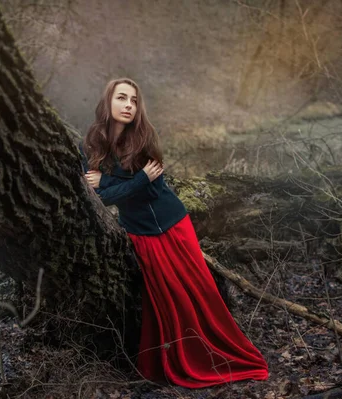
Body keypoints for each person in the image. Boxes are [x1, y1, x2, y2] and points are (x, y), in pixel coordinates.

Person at [79, 78, 269, 388]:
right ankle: (172, 360)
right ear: (107, 102)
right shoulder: (88, 144)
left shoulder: (144, 137)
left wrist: (124, 182)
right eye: (122, 98)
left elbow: (147, 190)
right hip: (140, 234)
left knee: (201, 293)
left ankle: (223, 353)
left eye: (134, 100)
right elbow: (98, 199)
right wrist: (128, 183)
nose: (129, 105)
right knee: (166, 302)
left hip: (172, 225)